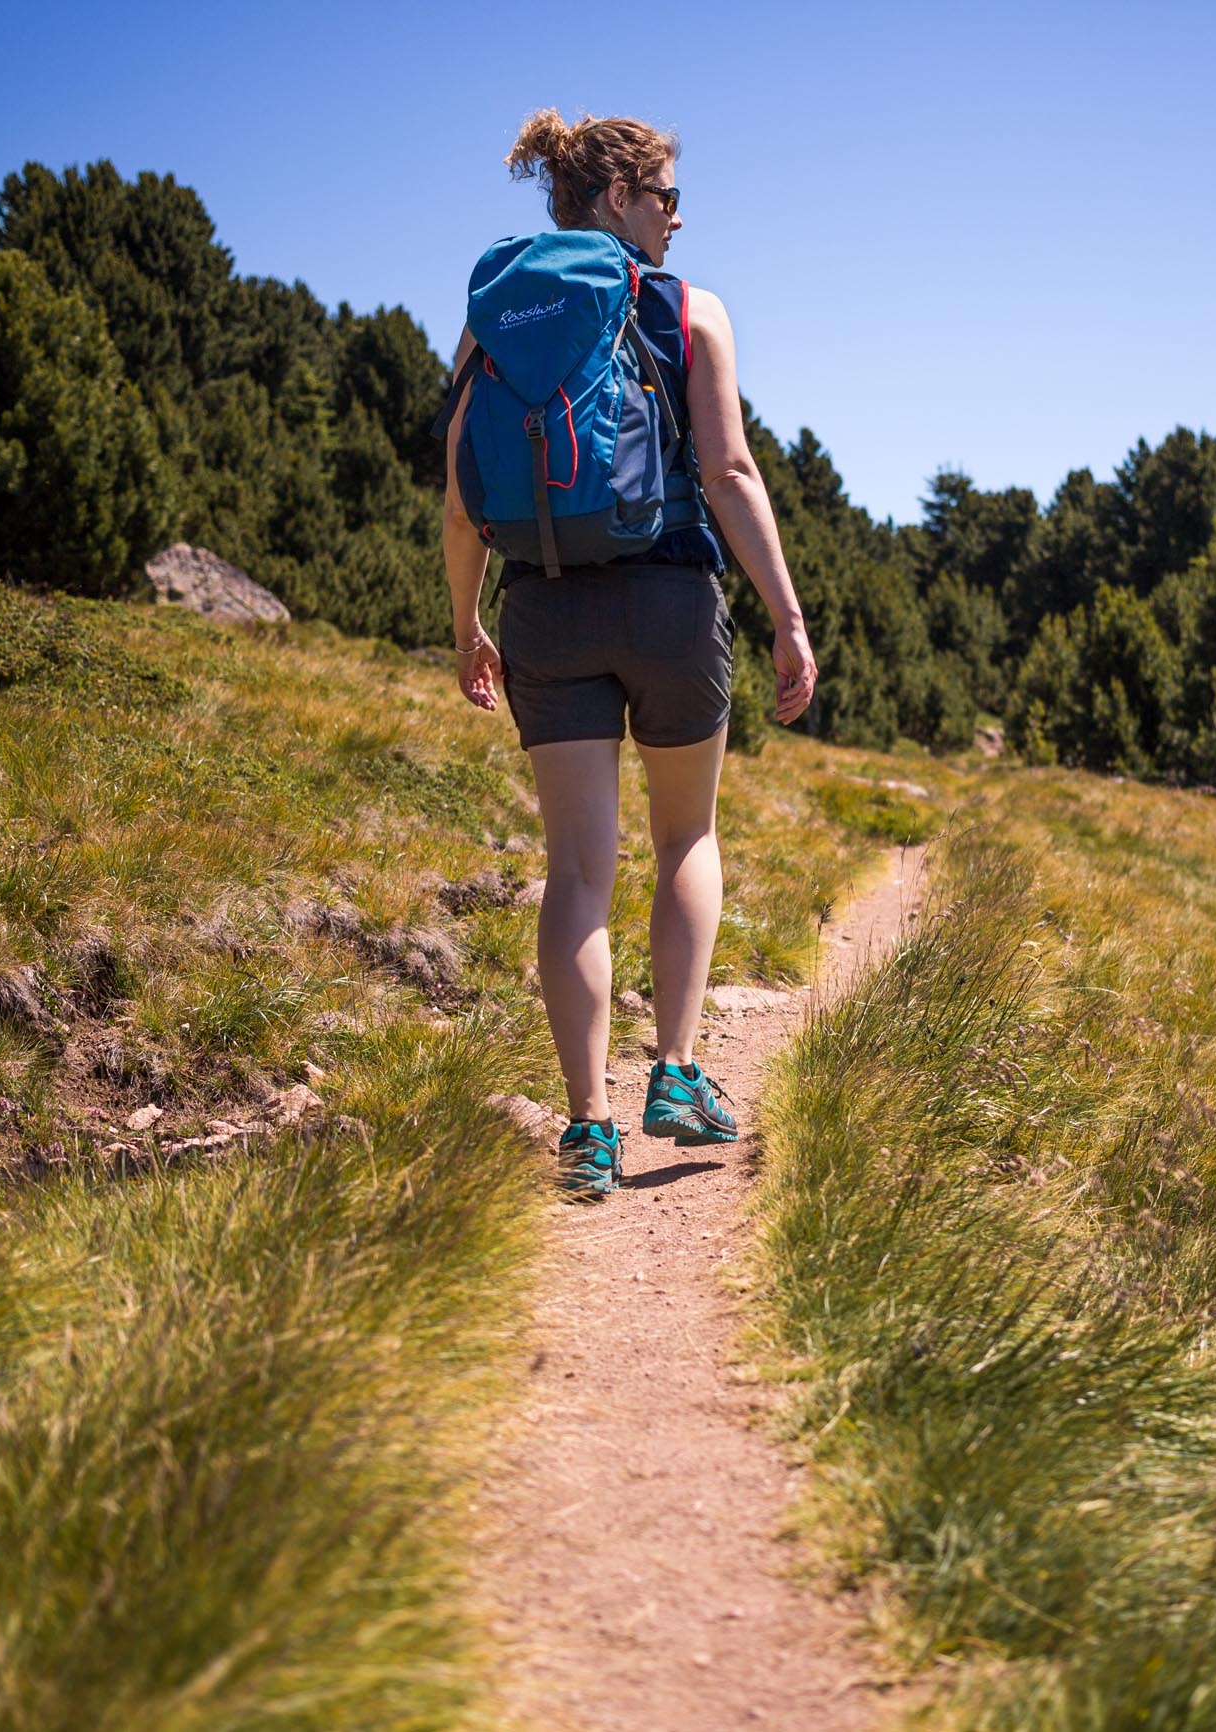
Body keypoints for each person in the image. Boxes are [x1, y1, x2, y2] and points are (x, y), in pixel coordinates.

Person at [442, 110, 818, 1198]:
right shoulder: (690, 310)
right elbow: (731, 470)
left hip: (544, 611)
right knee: (685, 830)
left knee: (574, 872)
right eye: (663, 194)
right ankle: (677, 1070)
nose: (677, 212)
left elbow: (463, 501)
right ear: (615, 200)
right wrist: (787, 617)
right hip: (667, 599)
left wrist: (465, 623)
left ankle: (586, 1131)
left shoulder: (496, 322)